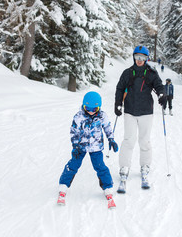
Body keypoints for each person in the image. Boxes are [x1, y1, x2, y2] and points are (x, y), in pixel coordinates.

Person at [114, 45, 167, 193]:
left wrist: (162, 95)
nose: (139, 60)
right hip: (130, 110)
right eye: (137, 57)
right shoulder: (127, 73)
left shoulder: (151, 73)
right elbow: (119, 88)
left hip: (146, 112)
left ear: (146, 59)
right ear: (134, 57)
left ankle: (144, 167)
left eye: (142, 58)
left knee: (144, 141)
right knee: (128, 140)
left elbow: (159, 86)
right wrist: (118, 104)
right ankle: (124, 168)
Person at [57, 91, 119, 208]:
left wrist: (111, 139)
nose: (90, 111)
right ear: (83, 106)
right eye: (87, 108)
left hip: (96, 147)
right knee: (73, 165)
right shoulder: (79, 116)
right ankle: (63, 186)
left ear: (99, 107)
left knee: (100, 166)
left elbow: (107, 127)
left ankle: (108, 187)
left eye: (94, 109)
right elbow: (74, 132)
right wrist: (75, 146)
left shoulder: (102, 116)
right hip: (80, 146)